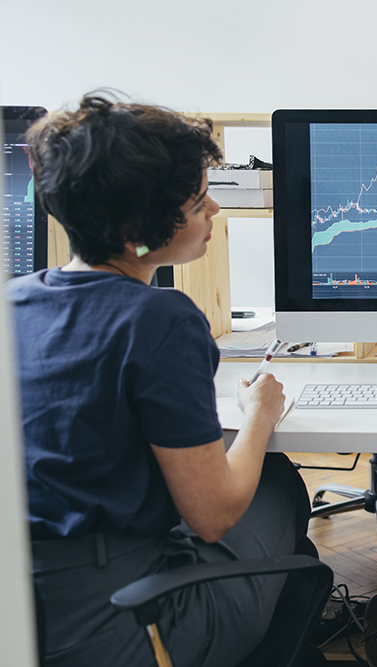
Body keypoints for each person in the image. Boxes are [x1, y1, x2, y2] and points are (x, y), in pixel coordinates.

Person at [8, 93, 324, 666]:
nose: (216, 214)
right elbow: (214, 514)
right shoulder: (160, 317)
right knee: (275, 480)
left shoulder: (15, 301)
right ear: (142, 227)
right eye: (201, 200)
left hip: (26, 622)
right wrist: (260, 415)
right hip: (129, 628)